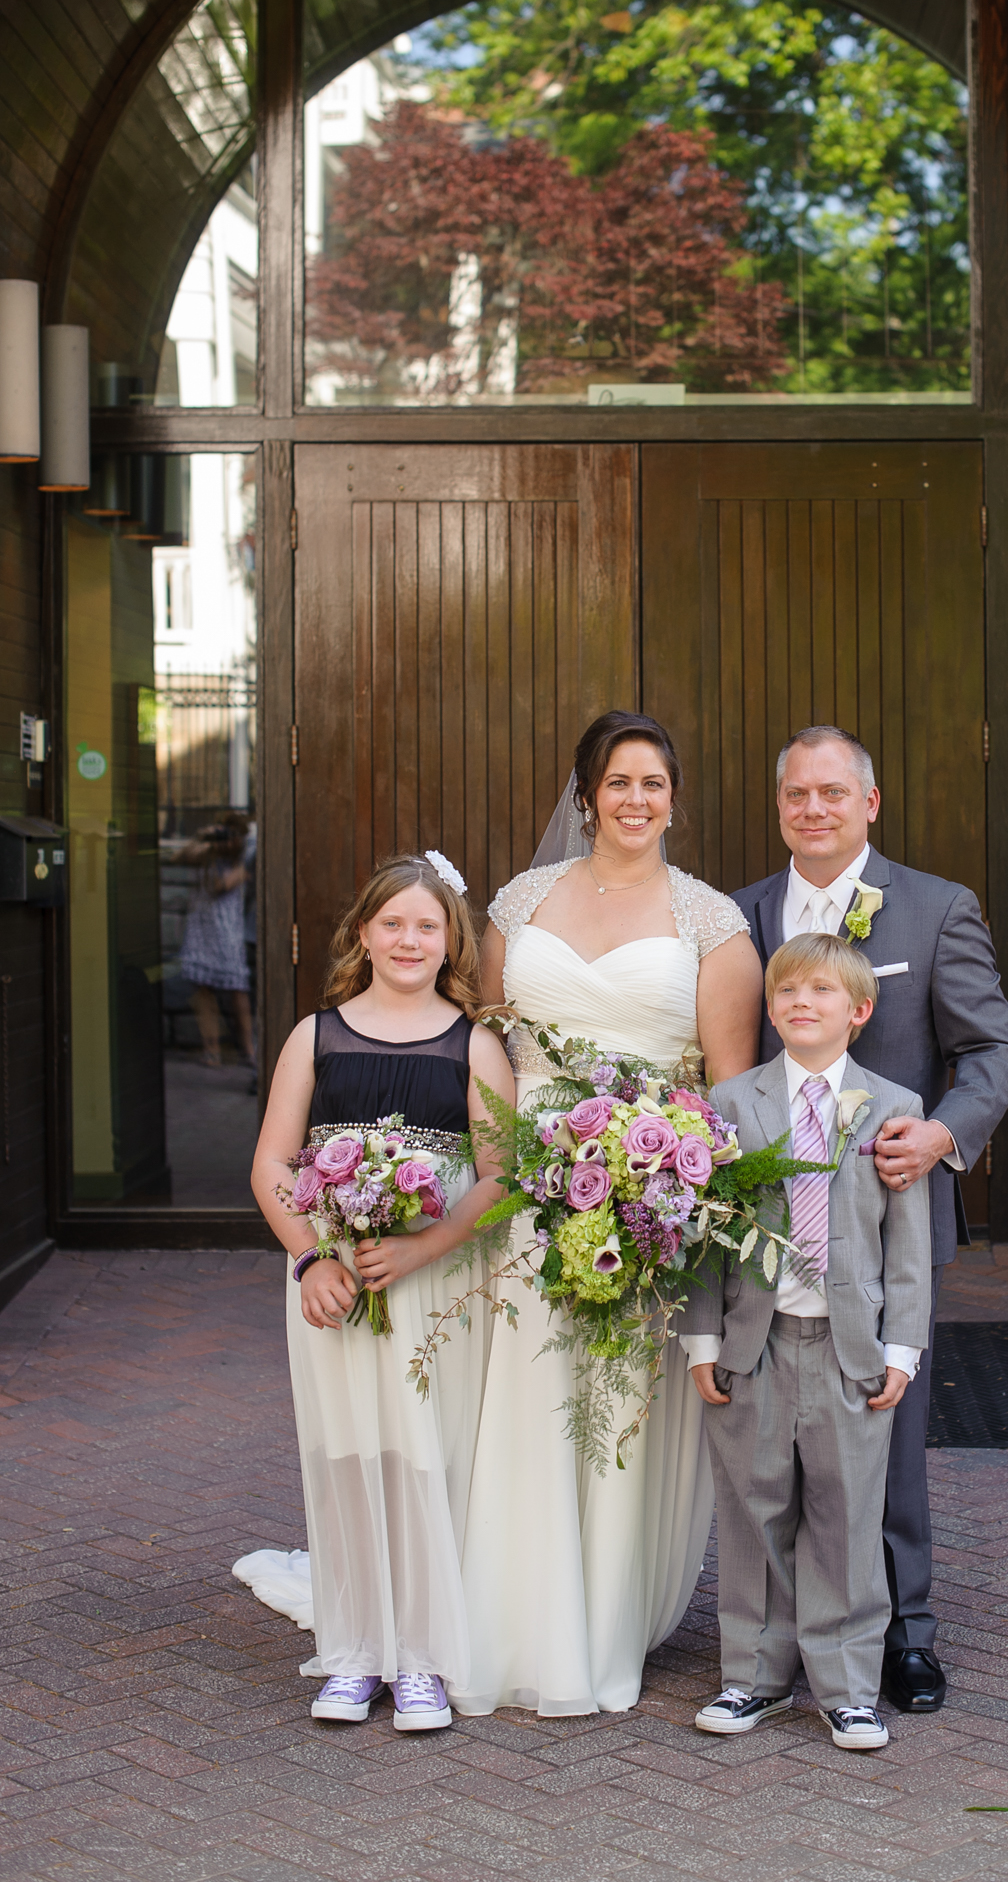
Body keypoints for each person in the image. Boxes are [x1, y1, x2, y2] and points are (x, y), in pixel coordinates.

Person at [469, 709, 763, 1715]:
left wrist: (667, 1183)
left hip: (646, 1198)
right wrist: (506, 1168)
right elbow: (490, 1049)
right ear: (583, 791)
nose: (638, 799)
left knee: (619, 1410)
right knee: (522, 1396)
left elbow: (728, 1089)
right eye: (619, 780)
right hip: (523, 1189)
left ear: (674, 795)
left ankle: (605, 1616)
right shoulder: (518, 900)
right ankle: (518, 1605)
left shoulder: (712, 922)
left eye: (656, 782)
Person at [732, 726, 1008, 1714]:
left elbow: (993, 1056)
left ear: (871, 800)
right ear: (779, 806)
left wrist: (939, 1137)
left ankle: (908, 1632)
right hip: (765, 1238)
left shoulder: (937, 909)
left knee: (883, 1433)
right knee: (775, 1447)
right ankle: (781, 1646)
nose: (812, 810)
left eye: (831, 793)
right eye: (795, 796)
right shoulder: (744, 916)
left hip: (889, 1219)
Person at [247, 851, 514, 1730]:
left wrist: (422, 1247)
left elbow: (501, 1173)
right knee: (347, 1452)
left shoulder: (473, 1042)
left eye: (425, 926)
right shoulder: (314, 1035)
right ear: (363, 932)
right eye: (391, 922)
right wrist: (308, 1260)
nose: (407, 938)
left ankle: (427, 1657)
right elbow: (272, 1165)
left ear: (450, 943)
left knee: (426, 1455)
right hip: (333, 1285)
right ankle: (356, 1649)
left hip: (433, 1285)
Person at [683, 933, 932, 1751]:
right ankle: (752, 1675)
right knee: (754, 1508)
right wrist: (701, 1339)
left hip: (849, 1347)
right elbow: (704, 1236)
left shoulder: (892, 1105)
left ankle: (848, 1686)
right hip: (753, 1343)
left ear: (857, 1011)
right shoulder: (730, 1102)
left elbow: (908, 1241)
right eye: (787, 990)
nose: (801, 1002)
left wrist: (902, 1349)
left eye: (821, 992)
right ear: (769, 1005)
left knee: (847, 1514)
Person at [175, 812, 254, 1069]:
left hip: (227, 930)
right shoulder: (207, 853)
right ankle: (212, 1050)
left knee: (237, 991)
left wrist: (219, 852)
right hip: (202, 928)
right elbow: (179, 857)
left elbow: (221, 885)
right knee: (203, 989)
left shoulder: (245, 859)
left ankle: (250, 1051)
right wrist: (204, 838)